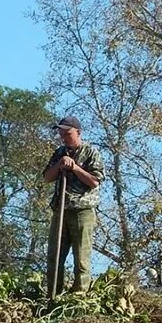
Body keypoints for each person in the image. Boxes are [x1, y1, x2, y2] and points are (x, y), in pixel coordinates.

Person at [42, 115, 104, 293]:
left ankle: (79, 297)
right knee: (54, 257)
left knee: (81, 258)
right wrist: (60, 164)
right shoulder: (60, 152)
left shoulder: (91, 152)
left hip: (82, 210)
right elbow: (47, 177)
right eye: (61, 133)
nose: (63, 137)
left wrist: (75, 167)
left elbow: (94, 181)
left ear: (78, 132)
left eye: (67, 133)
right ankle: (52, 296)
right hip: (61, 210)